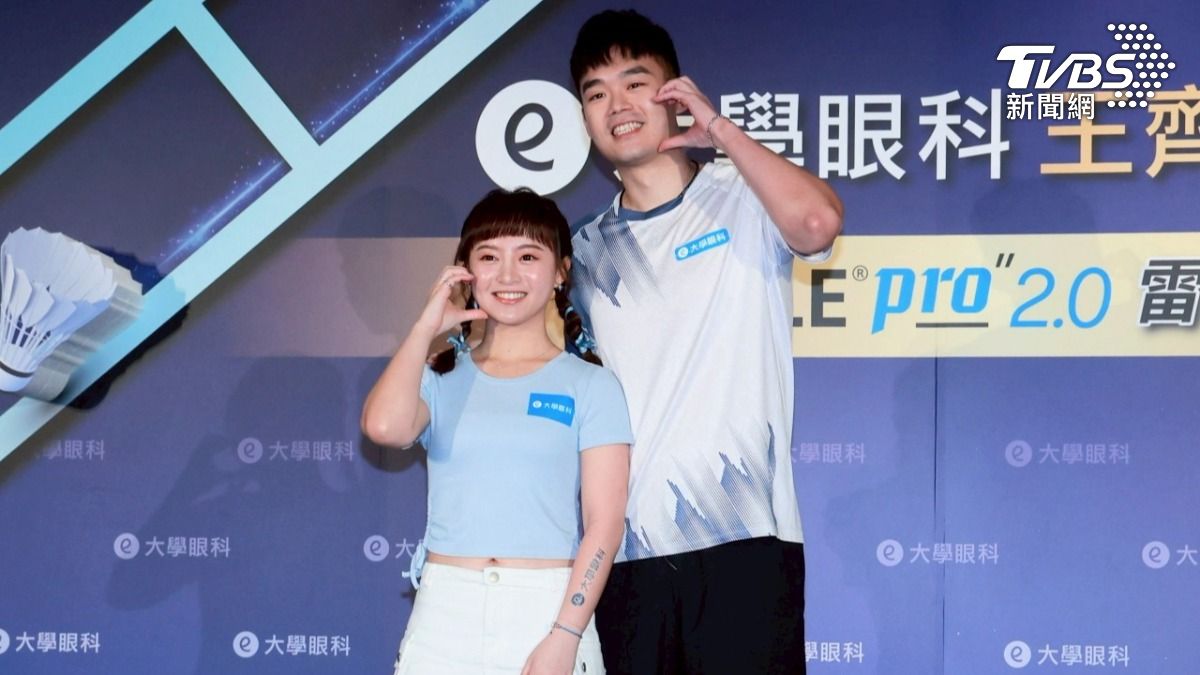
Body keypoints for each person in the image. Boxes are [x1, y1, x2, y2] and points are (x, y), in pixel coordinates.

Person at [567, 9, 844, 674]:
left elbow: (816, 223)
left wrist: (719, 130)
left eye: (635, 84)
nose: (617, 105)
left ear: (674, 93)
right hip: (627, 554)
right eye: (596, 93)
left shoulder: (743, 197)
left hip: (745, 536)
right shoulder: (583, 251)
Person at [361, 188, 632, 675]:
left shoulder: (592, 384)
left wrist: (566, 633)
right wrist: (425, 326)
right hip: (444, 614)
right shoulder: (438, 375)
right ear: (465, 271)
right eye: (489, 257)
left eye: (528, 256)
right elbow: (383, 428)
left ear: (560, 272)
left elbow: (605, 524)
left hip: (546, 611)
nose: (507, 275)